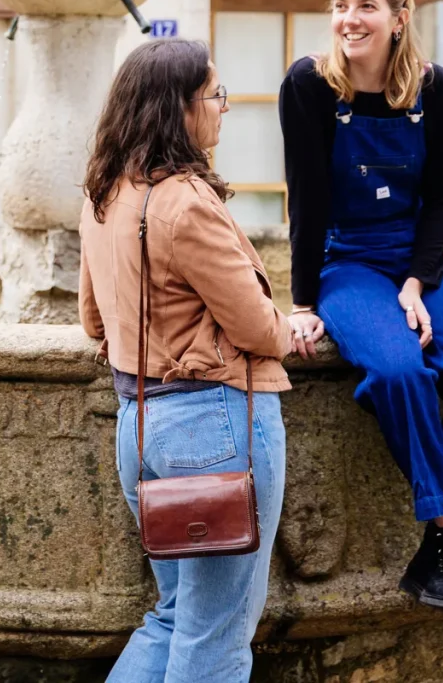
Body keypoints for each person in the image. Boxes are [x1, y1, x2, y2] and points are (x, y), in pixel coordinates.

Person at [279, 0, 443, 649]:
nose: (349, 19)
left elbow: (440, 197)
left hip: (421, 257)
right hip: (346, 259)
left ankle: (438, 559)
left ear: (398, 17)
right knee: (397, 372)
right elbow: (308, 203)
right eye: (340, 6)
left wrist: (416, 283)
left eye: (365, 7)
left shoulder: (437, 90)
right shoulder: (310, 86)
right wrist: (301, 301)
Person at [79, 38, 293, 682]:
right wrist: (291, 329)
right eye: (214, 95)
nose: (224, 108)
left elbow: (94, 321)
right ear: (178, 108)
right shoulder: (188, 203)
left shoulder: (103, 196)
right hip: (216, 426)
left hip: (139, 425)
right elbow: (257, 328)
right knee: (219, 636)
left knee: (174, 616)